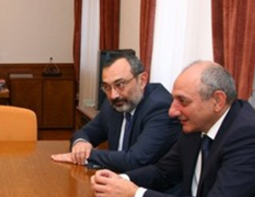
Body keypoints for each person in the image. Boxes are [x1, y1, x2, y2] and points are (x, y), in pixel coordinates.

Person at [91, 61, 255, 197]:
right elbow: (163, 172)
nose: (172, 111)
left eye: (182, 101)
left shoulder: (250, 137)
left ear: (217, 101)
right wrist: (118, 180)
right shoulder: (196, 125)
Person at [51, 53, 180, 172]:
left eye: (120, 84)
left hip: (150, 192)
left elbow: (135, 161)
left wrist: (87, 155)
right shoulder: (113, 104)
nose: (113, 95)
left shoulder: (161, 108)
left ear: (142, 80)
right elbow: (85, 132)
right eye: (107, 87)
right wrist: (81, 143)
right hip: (116, 184)